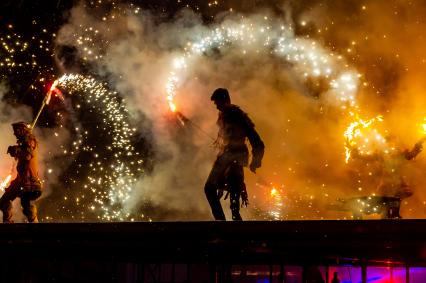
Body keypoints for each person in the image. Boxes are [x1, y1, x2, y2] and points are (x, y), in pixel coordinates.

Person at [204, 88, 264, 220]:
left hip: (237, 156)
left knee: (234, 187)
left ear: (225, 100)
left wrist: (255, 161)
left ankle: (233, 225)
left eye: (217, 102)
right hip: (226, 156)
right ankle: (222, 222)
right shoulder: (223, 116)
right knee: (209, 188)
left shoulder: (238, 116)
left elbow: (257, 141)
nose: (216, 106)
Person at [0, 122, 42, 223]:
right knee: (4, 201)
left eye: (16, 131)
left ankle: (34, 223)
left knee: (25, 203)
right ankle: (7, 223)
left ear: (22, 130)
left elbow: (27, 156)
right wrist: (16, 150)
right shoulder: (24, 142)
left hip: (29, 181)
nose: (14, 134)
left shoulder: (30, 141)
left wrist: (17, 150)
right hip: (21, 180)